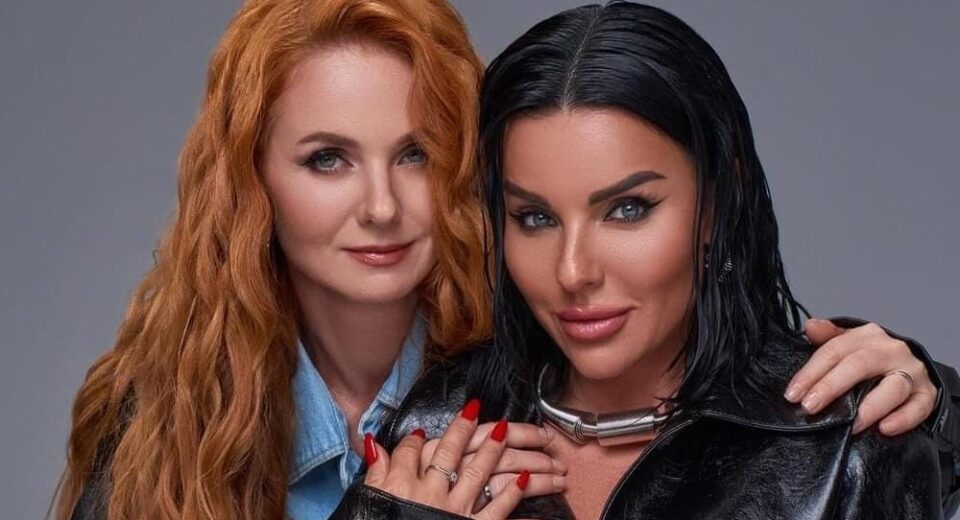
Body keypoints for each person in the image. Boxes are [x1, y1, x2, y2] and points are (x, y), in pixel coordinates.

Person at [57, 1, 957, 519]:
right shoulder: (165, 427)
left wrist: (931, 406)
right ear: (251, 183)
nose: (381, 206)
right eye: (327, 159)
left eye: (416, 154)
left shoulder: (531, 351)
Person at [337, 2, 960, 519]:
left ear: (717, 203)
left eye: (628, 209)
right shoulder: (436, 430)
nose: (572, 272)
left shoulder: (842, 448)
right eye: (535, 218)